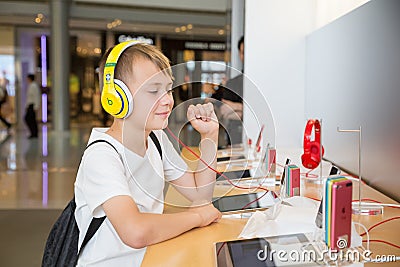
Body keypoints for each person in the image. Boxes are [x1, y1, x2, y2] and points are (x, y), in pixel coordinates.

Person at [74, 41, 221, 266]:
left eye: (168, 89)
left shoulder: (155, 139)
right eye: (153, 90)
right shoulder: (102, 155)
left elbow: (200, 194)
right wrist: (198, 216)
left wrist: (209, 137)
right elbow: (135, 232)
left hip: (150, 257)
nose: (168, 100)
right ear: (116, 97)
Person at [220, 36, 245, 145]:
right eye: (243, 52)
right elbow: (225, 111)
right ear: (240, 55)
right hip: (235, 140)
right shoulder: (232, 84)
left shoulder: (267, 84)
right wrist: (246, 110)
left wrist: (237, 107)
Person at [25, 74, 40, 138]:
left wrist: (36, 106)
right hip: (30, 105)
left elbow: (36, 96)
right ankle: (33, 133)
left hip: (32, 105)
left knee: (29, 119)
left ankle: (34, 133)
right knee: (31, 119)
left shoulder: (34, 86)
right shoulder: (31, 86)